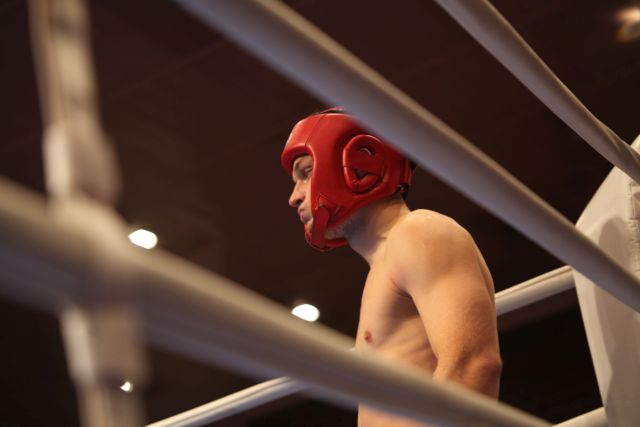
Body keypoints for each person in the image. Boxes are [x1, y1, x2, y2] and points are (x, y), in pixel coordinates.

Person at [281, 108, 502, 427]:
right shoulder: (384, 265)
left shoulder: (420, 232)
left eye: (306, 172)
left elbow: (474, 365)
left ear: (358, 165)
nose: (293, 197)